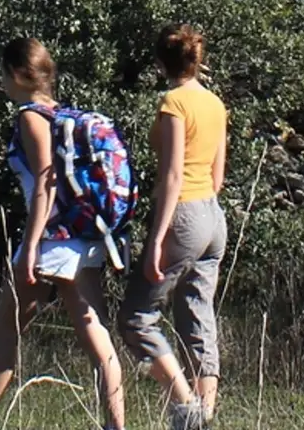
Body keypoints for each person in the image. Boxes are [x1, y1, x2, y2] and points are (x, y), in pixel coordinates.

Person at [0, 38, 127, 430]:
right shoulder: (66, 116)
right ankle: (116, 426)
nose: (1, 82)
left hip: (51, 240)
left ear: (16, 74)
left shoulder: (31, 117)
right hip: (85, 237)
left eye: (2, 73)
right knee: (97, 339)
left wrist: (29, 249)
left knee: (5, 335)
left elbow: (45, 182)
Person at [119, 24, 229, 430]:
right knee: (198, 314)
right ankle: (206, 413)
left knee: (136, 318)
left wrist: (156, 240)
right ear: (197, 60)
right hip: (214, 217)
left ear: (159, 63)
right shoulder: (215, 104)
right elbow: (217, 177)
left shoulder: (173, 103)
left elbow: (171, 177)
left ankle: (186, 407)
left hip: (183, 216)